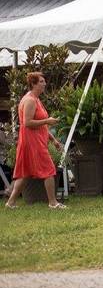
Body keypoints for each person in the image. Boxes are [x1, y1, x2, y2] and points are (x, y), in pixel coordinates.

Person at [5, 72, 66, 209]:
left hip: (35, 140)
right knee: (49, 170)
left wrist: (53, 140)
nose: (44, 84)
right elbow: (27, 123)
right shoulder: (30, 100)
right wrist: (48, 120)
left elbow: (41, 125)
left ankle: (10, 202)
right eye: (41, 82)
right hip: (32, 142)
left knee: (26, 173)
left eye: (44, 81)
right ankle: (53, 203)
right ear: (33, 84)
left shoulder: (36, 99)